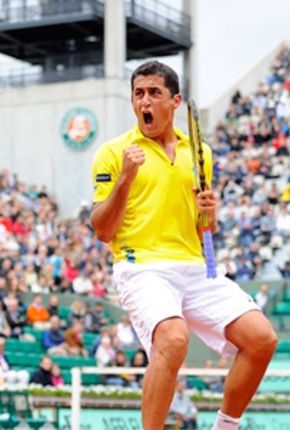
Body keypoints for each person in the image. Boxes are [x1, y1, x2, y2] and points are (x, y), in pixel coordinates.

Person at [89, 60, 277, 430]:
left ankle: (224, 427)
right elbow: (102, 231)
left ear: (174, 101)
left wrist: (209, 213)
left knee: (261, 339)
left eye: (154, 93)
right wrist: (125, 179)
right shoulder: (114, 152)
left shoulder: (200, 152)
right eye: (138, 94)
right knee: (174, 340)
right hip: (141, 266)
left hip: (195, 267)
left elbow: (203, 230)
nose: (145, 101)